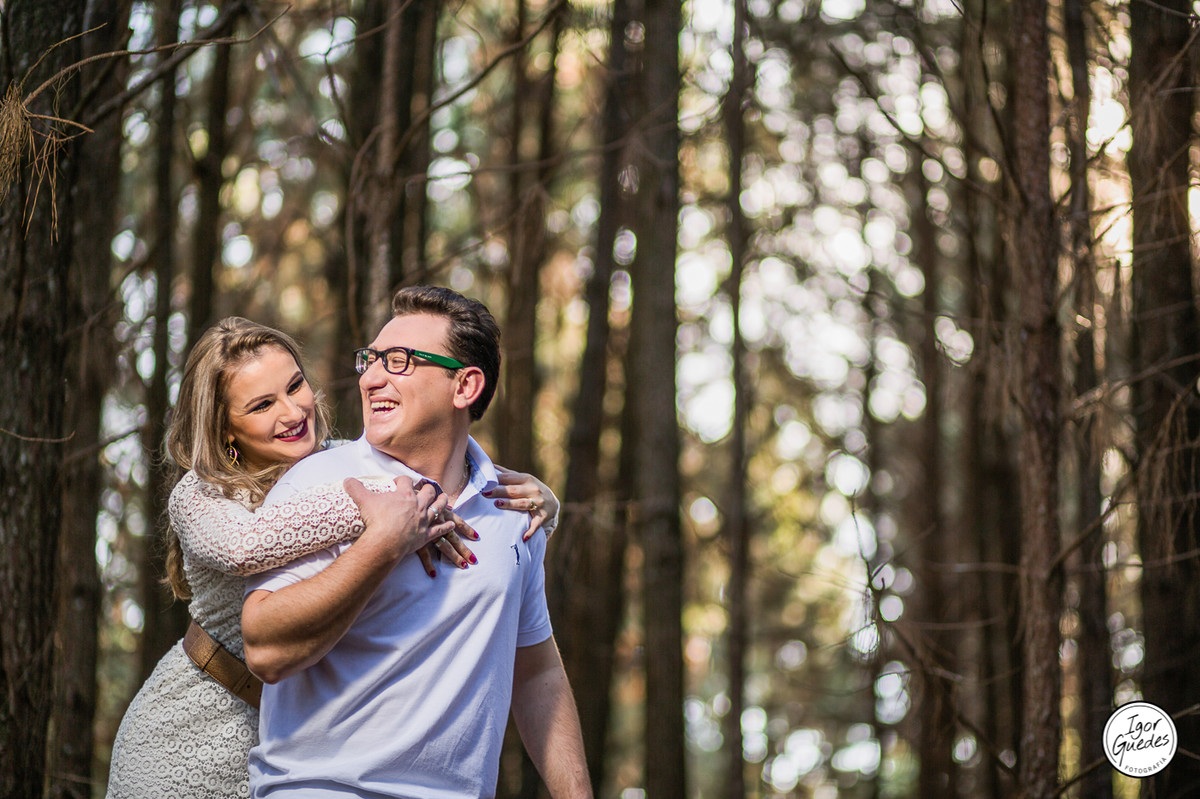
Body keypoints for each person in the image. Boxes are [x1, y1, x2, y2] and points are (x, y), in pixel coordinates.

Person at [107, 317, 559, 799]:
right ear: (226, 431)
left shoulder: (341, 462)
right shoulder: (199, 494)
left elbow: (442, 461)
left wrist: (535, 500)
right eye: (262, 405)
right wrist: (407, 504)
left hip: (283, 734)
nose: (291, 411)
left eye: (295, 385)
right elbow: (247, 548)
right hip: (195, 721)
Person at [242, 286, 591, 798]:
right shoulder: (320, 482)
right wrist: (383, 545)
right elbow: (266, 650)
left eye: (400, 361)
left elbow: (535, 670)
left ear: (465, 385)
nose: (371, 377)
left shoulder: (516, 509)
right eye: (372, 359)